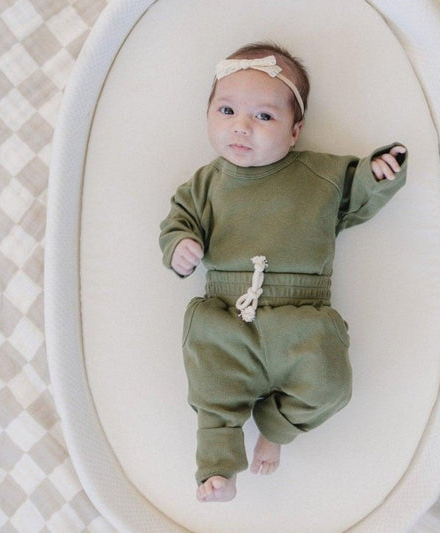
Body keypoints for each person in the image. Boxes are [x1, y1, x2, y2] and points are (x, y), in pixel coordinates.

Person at [159, 42, 407, 503]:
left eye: (264, 116)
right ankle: (217, 469)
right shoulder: (205, 184)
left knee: (331, 384)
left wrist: (376, 173)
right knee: (211, 389)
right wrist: (180, 248)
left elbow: (356, 194)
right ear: (208, 114)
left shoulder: (320, 175)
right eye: (227, 110)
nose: (241, 126)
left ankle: (275, 429)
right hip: (225, 316)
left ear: (295, 132)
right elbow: (178, 222)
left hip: (302, 320)